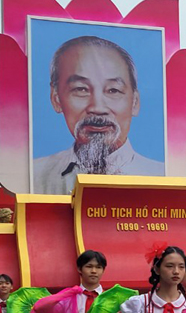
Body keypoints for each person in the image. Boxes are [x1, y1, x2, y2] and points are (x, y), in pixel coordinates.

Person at [34, 36, 163, 195]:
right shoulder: (34, 176)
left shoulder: (163, 178)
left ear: (135, 102)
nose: (97, 108)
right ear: (56, 99)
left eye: (113, 90)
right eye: (81, 89)